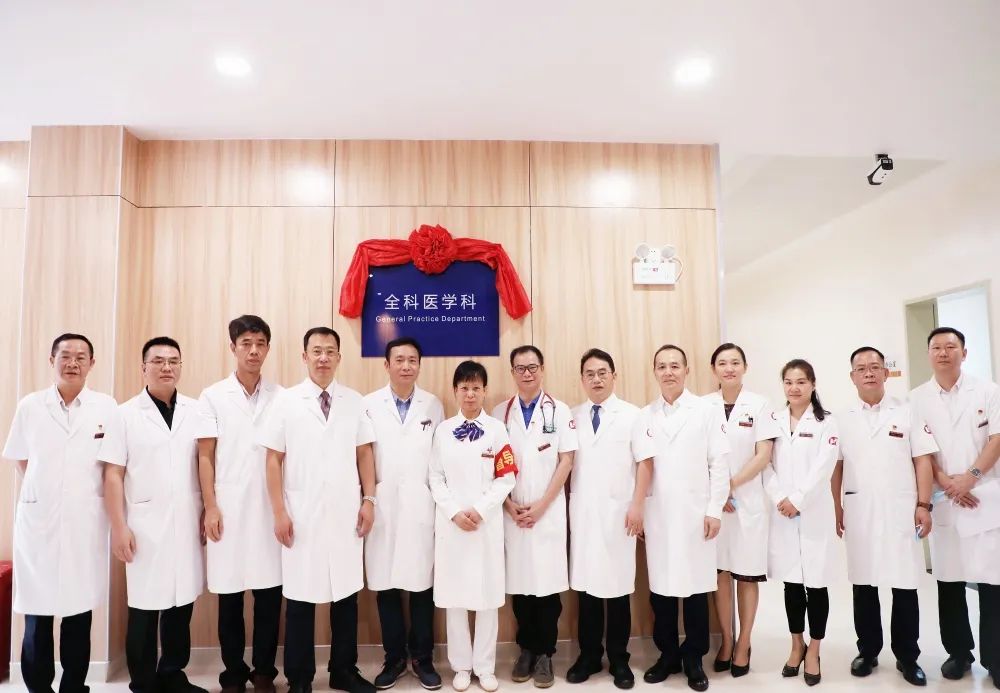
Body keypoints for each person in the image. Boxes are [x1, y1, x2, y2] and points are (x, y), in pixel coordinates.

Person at [259, 327, 377, 693]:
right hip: (302, 513)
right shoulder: (286, 401)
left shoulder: (354, 401)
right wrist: (279, 511)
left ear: (339, 357)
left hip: (345, 512)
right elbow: (273, 459)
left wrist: (369, 500)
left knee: (346, 596)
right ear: (304, 356)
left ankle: (343, 671)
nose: (323, 357)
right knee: (300, 598)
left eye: (329, 351)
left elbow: (364, 453)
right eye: (316, 351)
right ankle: (299, 678)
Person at [3, 333, 118, 693]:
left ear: (91, 364)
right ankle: (39, 687)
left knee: (78, 613)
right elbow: (21, 458)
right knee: (37, 614)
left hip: (85, 522)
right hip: (40, 522)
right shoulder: (31, 406)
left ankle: (73, 686)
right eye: (65, 356)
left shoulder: (106, 407)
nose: (73, 363)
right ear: (52, 360)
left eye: (81, 357)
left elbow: (112, 465)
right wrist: (47, 492)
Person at [101, 337, 210, 693]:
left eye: (173, 361)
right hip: (144, 525)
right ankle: (144, 682)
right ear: (143, 367)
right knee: (145, 608)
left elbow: (206, 463)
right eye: (158, 361)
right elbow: (113, 474)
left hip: (186, 520)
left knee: (181, 603)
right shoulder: (124, 414)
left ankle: (173, 674)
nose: (167, 367)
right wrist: (119, 527)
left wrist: (207, 508)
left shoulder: (196, 411)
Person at [832, 346, 936, 687]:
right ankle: (868, 651)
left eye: (875, 366)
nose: (868, 372)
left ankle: (907, 656)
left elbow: (922, 460)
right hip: (860, 509)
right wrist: (836, 507)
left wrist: (923, 504)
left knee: (904, 583)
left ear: (885, 373)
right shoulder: (841, 418)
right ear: (852, 377)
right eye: (861, 368)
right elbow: (836, 466)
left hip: (900, 510)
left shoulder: (908, 411)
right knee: (863, 584)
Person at [633, 344, 729, 692]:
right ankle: (668, 655)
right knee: (661, 591)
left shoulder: (706, 410)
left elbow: (720, 462)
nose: (668, 371)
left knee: (695, 591)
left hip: (695, 515)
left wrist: (714, 509)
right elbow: (642, 467)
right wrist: (640, 509)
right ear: (654, 372)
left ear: (687, 370)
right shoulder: (645, 415)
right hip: (659, 514)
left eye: (675, 365)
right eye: (662, 366)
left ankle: (694, 659)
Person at [909, 326, 1000, 687]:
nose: (944, 352)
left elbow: (997, 438)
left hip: (982, 496)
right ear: (929, 354)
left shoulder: (988, 390)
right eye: (937, 347)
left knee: (993, 581)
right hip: (945, 497)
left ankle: (996, 658)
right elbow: (921, 450)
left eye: (951, 346)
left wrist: (970, 477)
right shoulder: (916, 398)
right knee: (949, 580)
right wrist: (947, 481)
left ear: (964, 352)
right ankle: (959, 653)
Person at [197, 315, 283, 693]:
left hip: (268, 508)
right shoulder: (213, 396)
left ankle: (264, 672)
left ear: (268, 348)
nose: (253, 351)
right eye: (246, 343)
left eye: (260, 343)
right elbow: (205, 455)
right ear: (233, 347)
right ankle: (233, 672)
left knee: (269, 596)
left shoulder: (282, 397)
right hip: (228, 506)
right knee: (229, 596)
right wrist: (211, 505)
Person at [492, 346, 578, 688]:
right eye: (520, 368)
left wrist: (542, 505)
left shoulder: (560, 410)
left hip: (548, 511)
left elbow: (566, 461)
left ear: (542, 369)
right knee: (521, 587)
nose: (526, 373)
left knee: (547, 589)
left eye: (532, 367)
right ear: (512, 372)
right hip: (512, 511)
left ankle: (545, 653)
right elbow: (492, 463)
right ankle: (525, 650)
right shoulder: (500, 413)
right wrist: (507, 504)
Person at [362, 337, 445, 690]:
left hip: (420, 504)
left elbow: (440, 458)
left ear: (419, 365)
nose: (406, 365)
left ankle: (423, 658)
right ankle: (394, 658)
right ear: (387, 365)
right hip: (382, 504)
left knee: (422, 585)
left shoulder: (433, 405)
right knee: (386, 586)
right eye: (399, 359)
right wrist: (368, 498)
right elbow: (363, 455)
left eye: (412, 360)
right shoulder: (368, 405)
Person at [430, 361, 517, 693]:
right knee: (455, 599)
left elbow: (505, 478)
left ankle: (485, 666)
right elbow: (435, 477)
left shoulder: (497, 430)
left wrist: (480, 511)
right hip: (452, 526)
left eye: (476, 388)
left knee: (487, 597)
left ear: (484, 391)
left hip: (485, 525)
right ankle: (461, 667)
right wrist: (454, 512)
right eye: (464, 388)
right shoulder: (443, 431)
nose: (470, 394)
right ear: (455, 391)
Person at [565, 348, 648, 690]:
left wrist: (638, 505)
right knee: (586, 589)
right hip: (584, 513)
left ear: (614, 376)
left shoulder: (633, 415)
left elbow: (645, 463)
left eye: (602, 373)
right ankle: (588, 656)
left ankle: (619, 659)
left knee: (617, 589)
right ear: (582, 379)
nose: (596, 379)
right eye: (590, 374)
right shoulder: (572, 416)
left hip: (619, 515)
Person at [703, 343, 779, 678]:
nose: (729, 368)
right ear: (714, 369)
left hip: (747, 501)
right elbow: (699, 455)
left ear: (745, 367)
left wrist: (727, 486)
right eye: (722, 363)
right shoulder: (703, 406)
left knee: (747, 575)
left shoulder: (760, 405)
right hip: (715, 504)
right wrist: (717, 492)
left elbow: (763, 455)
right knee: (720, 574)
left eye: (735, 362)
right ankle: (726, 639)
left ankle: (744, 642)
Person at [764, 359, 839, 687]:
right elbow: (765, 463)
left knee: (816, 585)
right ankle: (797, 645)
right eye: (788, 382)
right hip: (783, 512)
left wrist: (797, 499)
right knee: (792, 585)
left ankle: (815, 650)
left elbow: (825, 466)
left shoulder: (827, 423)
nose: (794, 388)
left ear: (812, 384)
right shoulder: (773, 421)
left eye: (801, 382)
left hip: (813, 512)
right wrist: (780, 497)